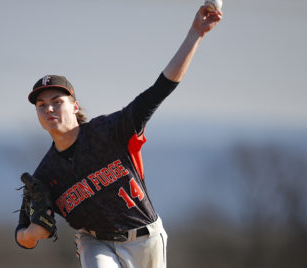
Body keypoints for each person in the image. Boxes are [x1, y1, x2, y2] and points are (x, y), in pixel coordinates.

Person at [15, 5, 222, 268]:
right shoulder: (45, 174)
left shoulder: (110, 131)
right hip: (95, 242)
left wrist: (196, 34)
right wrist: (32, 233)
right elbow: (21, 235)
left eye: (57, 101)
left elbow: (161, 88)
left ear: (75, 106)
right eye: (41, 106)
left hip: (146, 238)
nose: (49, 109)